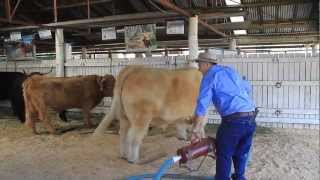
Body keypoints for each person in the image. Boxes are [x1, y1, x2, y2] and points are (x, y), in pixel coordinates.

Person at [191, 52, 257, 180]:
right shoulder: (230, 71)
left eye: (199, 64)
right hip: (251, 117)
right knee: (241, 152)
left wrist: (196, 127)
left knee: (224, 153)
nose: (198, 67)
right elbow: (247, 87)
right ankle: (239, 177)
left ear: (206, 64)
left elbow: (202, 103)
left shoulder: (210, 75)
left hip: (234, 120)